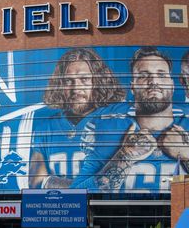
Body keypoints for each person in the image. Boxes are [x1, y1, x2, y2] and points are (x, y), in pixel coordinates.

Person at [72, 47, 189, 192]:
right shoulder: (104, 127)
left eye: (161, 75)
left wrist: (186, 154)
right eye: (143, 75)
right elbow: (77, 194)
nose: (153, 81)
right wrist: (125, 155)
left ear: (172, 85)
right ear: (132, 86)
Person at [29, 48, 126, 188]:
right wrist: (86, 188)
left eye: (84, 79)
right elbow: (35, 183)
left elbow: (111, 183)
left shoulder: (115, 121)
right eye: (69, 81)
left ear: (97, 82)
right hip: (61, 208)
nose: (76, 88)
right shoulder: (45, 128)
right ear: (60, 85)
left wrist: (52, 183)